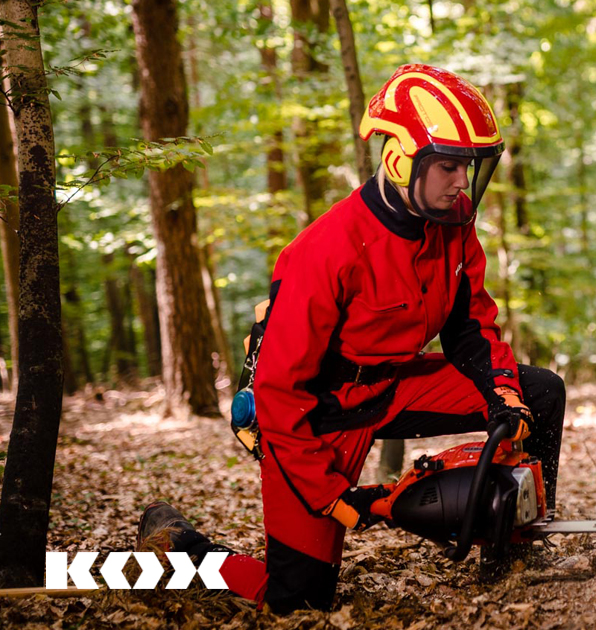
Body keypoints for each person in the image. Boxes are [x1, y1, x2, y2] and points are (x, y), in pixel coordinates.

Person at [136, 64, 565, 614]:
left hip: (392, 387)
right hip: (316, 415)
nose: (463, 182)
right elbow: (278, 393)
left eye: (470, 168)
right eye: (450, 167)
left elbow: (471, 328)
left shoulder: (454, 226)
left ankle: (510, 553)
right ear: (399, 160)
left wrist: (504, 394)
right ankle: (184, 547)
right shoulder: (328, 250)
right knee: (296, 602)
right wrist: (332, 498)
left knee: (541, 392)